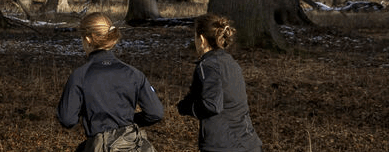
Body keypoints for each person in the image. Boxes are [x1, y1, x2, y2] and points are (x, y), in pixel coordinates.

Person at [58, 12, 164, 152]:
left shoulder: (80, 76)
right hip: (133, 145)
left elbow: (67, 119)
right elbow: (155, 113)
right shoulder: (134, 74)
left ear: (88, 39)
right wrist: (125, 121)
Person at [176, 12, 262, 152]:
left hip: (223, 146)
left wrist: (186, 107)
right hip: (248, 143)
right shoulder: (230, 62)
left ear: (202, 39)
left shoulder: (207, 65)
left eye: (195, 36)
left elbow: (212, 105)